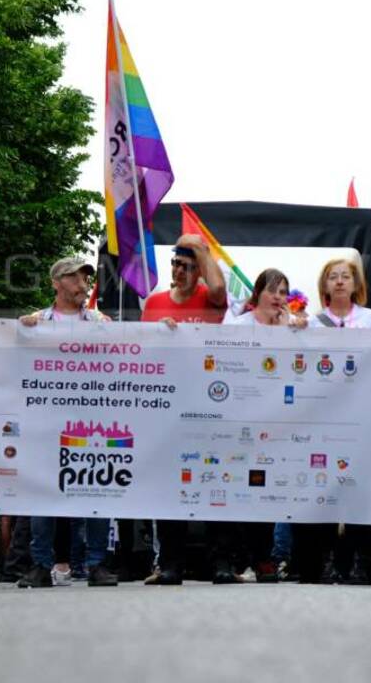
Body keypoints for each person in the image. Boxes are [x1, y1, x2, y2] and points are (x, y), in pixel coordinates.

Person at [293, 258, 371, 585]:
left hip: (364, 419)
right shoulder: (310, 323)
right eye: (333, 277)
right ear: (325, 285)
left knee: (362, 490)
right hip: (323, 419)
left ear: (356, 284)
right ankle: (322, 563)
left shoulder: (370, 321)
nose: (339, 282)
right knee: (323, 488)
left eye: (346, 277)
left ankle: (363, 563)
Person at [17, 257, 118, 588]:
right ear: (56, 283)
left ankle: (96, 564)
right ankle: (40, 564)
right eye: (74, 278)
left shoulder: (100, 322)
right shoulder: (36, 323)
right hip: (47, 423)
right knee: (43, 491)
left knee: (96, 488)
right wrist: (20, 332)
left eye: (84, 278)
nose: (81, 284)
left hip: (90, 423)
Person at [141, 235, 227, 586]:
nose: (178, 271)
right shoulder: (154, 302)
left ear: (200, 271)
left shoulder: (209, 298)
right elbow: (143, 351)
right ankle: (171, 564)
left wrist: (202, 250)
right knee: (169, 486)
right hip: (168, 407)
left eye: (187, 266)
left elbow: (220, 290)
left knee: (215, 484)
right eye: (175, 263)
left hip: (206, 403)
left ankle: (220, 562)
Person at [223, 269, 307, 583]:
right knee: (236, 490)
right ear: (258, 293)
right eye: (273, 290)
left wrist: (289, 333)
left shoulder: (292, 328)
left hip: (276, 423)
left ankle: (264, 559)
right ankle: (237, 559)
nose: (278, 297)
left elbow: (296, 371)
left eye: (284, 292)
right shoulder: (237, 325)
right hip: (239, 419)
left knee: (266, 489)